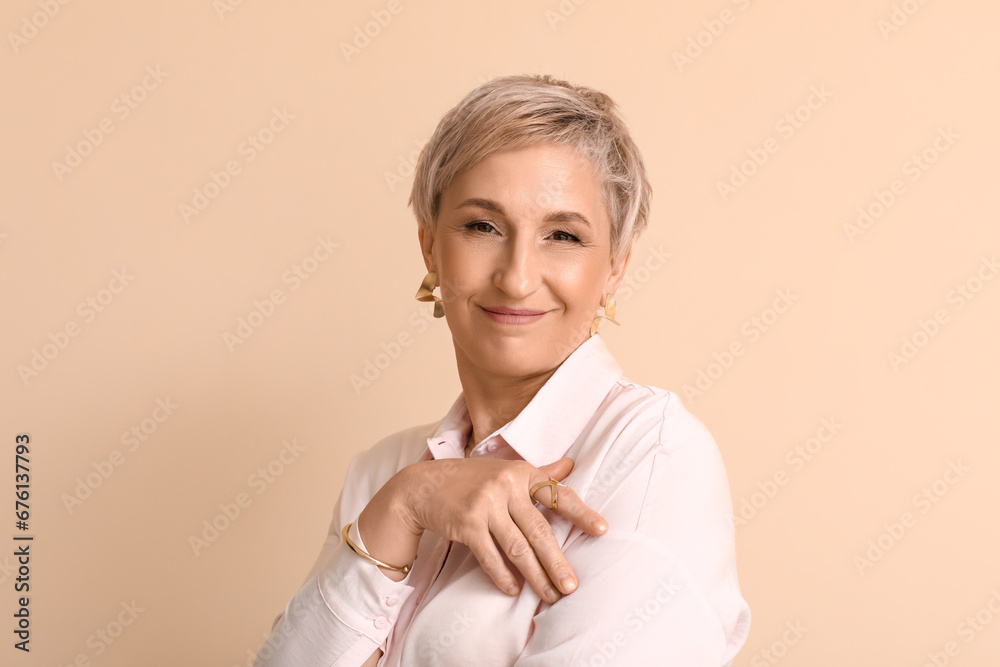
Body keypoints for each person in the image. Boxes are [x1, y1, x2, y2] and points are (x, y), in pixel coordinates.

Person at [252, 74, 751, 666]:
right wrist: (407, 503)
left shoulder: (653, 457)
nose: (516, 277)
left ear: (615, 268)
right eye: (482, 226)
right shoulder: (385, 473)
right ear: (431, 248)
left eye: (563, 235)